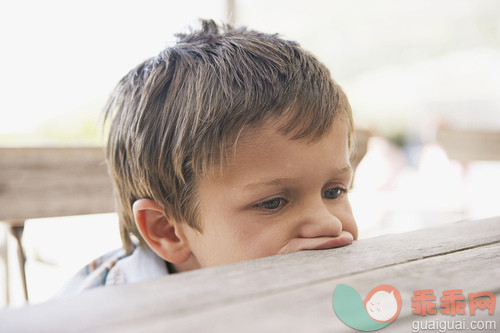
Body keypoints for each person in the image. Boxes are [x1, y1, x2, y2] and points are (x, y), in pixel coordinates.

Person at [59, 19, 358, 294]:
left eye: (334, 191)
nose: (328, 223)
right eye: (272, 202)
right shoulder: (101, 316)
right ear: (168, 231)